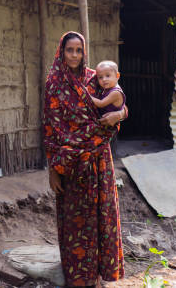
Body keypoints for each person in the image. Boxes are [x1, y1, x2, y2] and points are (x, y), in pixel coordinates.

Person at [42, 31, 126, 287]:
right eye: (70, 50)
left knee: (102, 217)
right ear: (61, 51)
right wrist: (53, 170)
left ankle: (99, 276)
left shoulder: (95, 78)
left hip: (99, 160)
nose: (75, 55)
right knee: (75, 221)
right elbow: (50, 128)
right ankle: (79, 278)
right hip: (70, 165)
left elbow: (120, 102)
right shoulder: (54, 84)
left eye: (79, 50)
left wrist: (119, 115)